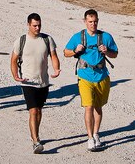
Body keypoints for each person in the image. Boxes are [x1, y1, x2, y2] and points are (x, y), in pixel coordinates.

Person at [64, 9, 119, 152]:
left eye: (95, 22)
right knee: (88, 107)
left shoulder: (105, 37)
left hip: (102, 76)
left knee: (98, 107)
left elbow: (115, 54)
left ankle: (96, 134)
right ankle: (89, 139)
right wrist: (76, 50)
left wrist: (106, 51)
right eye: (90, 22)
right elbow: (66, 52)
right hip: (85, 76)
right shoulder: (78, 37)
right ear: (85, 22)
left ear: (98, 21)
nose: (93, 24)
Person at [10, 13, 61, 154]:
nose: (37, 28)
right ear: (28, 25)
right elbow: (13, 59)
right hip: (28, 82)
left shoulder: (47, 39)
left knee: (39, 110)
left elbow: (54, 56)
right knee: (33, 111)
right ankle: (35, 141)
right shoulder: (21, 41)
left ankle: (36, 134)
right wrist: (15, 75)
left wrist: (57, 69)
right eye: (34, 25)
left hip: (43, 82)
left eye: (39, 25)